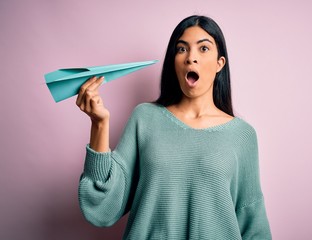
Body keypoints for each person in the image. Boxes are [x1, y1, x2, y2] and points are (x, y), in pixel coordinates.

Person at [76, 15, 272, 239]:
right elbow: (101, 207)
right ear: (174, 62)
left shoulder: (242, 136)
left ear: (220, 64)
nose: (191, 58)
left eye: (204, 48)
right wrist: (99, 123)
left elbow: (252, 222)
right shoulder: (145, 118)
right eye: (181, 49)